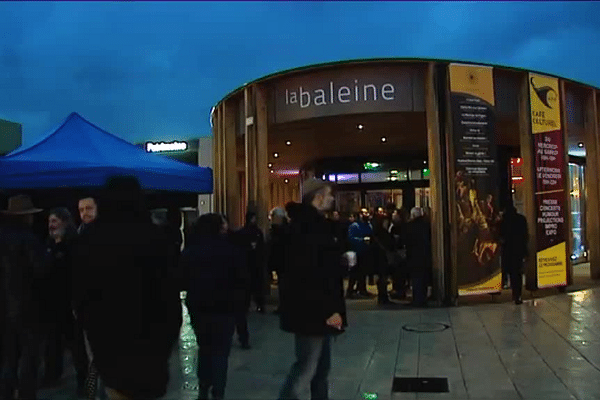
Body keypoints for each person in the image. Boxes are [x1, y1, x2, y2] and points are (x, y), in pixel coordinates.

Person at [72, 177, 182, 400]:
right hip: (150, 354)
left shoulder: (90, 240)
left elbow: (81, 299)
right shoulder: (155, 239)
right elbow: (169, 301)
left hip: (109, 349)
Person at [278, 178, 347, 400]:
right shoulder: (310, 228)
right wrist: (330, 310)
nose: (331, 199)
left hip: (311, 310)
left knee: (319, 369)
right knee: (307, 367)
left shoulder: (309, 226)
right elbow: (313, 275)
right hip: (313, 312)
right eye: (328, 195)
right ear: (317, 197)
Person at [180, 213, 248, 400]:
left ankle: (203, 387)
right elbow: (242, 279)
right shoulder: (231, 250)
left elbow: (181, 279)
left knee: (205, 348)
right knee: (220, 352)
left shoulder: (191, 250)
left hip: (199, 306)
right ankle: (218, 391)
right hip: (224, 307)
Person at [0, 194, 49, 400]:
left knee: (8, 356)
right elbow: (41, 270)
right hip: (27, 305)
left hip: (4, 306)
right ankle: (27, 395)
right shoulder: (28, 238)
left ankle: (6, 392)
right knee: (29, 355)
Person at [41, 208, 89, 397]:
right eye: (50, 221)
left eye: (55, 221)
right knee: (53, 342)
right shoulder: (49, 244)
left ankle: (83, 381)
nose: (51, 225)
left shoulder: (73, 244)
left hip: (70, 303)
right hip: (53, 303)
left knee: (76, 346)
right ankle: (52, 374)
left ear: (64, 222)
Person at [499, 205, 528, 305]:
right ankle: (518, 295)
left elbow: (500, 235)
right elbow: (525, 235)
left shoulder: (504, 221)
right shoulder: (521, 219)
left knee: (510, 272)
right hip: (518, 250)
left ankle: (510, 289)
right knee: (517, 273)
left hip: (508, 250)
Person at [405, 207, 432, 307]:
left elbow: (406, 240)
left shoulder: (410, 226)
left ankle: (417, 299)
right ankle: (423, 298)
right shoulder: (427, 225)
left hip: (414, 256)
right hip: (425, 255)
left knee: (416, 278)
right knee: (423, 278)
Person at [347, 211, 374, 298]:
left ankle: (362, 289)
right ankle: (350, 291)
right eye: (364, 213)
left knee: (363, 272)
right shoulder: (354, 226)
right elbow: (351, 238)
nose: (366, 215)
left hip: (366, 252)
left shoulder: (369, 225)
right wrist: (362, 240)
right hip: (357, 252)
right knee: (354, 273)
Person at [268, 207, 289, 315]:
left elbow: (276, 246)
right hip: (283, 261)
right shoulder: (285, 228)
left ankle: (285, 306)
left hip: (283, 261)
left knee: (284, 285)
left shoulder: (278, 230)